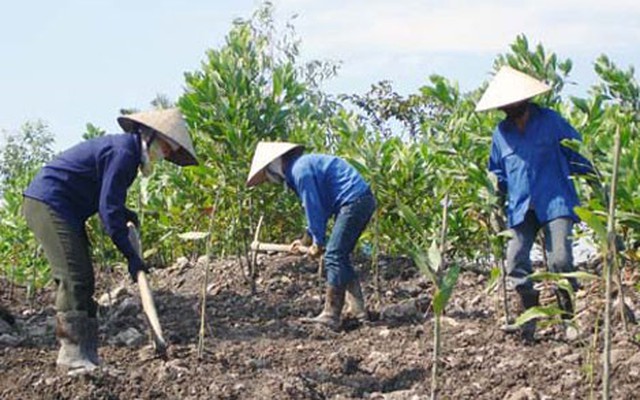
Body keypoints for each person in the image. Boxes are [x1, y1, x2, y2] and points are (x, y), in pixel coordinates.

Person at [23, 108, 198, 372]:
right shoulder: (124, 153)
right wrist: (132, 257)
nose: (164, 156)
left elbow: (108, 199)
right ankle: (72, 356)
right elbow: (108, 212)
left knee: (83, 277)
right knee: (74, 276)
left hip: (63, 207)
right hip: (49, 203)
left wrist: (125, 214)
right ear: (149, 137)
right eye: (164, 148)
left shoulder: (124, 152)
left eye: (168, 153)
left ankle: (87, 356)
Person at [476, 66, 594, 342]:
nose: (507, 107)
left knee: (561, 260)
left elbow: (575, 150)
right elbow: (498, 171)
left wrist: (594, 177)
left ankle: (568, 319)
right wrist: (494, 198)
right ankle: (530, 315)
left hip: (556, 199)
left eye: (511, 102)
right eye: (503, 104)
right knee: (515, 259)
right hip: (520, 206)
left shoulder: (550, 121)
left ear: (524, 99)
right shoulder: (501, 133)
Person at [246, 141, 376, 330]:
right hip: (359, 200)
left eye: (267, 175)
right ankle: (358, 310)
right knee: (340, 256)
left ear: (274, 166)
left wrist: (318, 242)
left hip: (354, 201)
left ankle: (331, 315)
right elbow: (318, 209)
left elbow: (313, 207)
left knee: (333, 255)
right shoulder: (301, 167)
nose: (270, 180)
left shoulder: (300, 171)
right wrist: (305, 240)